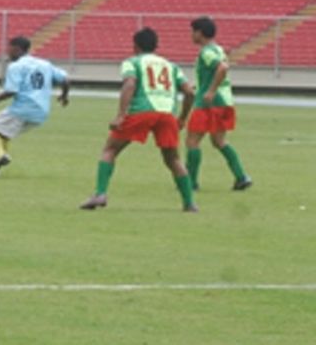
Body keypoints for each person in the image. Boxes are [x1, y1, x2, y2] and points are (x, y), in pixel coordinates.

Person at [80, 27, 198, 212]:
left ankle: (100, 193)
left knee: (110, 149)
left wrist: (121, 115)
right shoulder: (171, 66)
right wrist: (182, 118)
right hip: (167, 114)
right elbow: (190, 93)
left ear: (135, 46)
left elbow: (130, 84)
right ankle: (189, 203)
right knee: (173, 159)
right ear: (156, 46)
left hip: (141, 111)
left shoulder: (132, 62)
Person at [0, 36, 70, 177]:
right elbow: (65, 79)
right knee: (3, 135)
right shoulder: (44, 64)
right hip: (41, 113)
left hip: (23, 108)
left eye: (9, 48)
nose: (7, 52)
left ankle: (1, 156)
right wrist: (64, 96)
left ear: (17, 49)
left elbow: (11, 91)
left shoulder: (16, 66)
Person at [186, 17, 252, 191]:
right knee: (219, 141)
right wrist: (199, 85)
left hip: (210, 103)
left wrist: (210, 91)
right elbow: (216, 71)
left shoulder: (206, 52)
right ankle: (241, 176)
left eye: (193, 31)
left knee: (192, 142)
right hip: (225, 101)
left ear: (200, 33)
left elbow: (222, 68)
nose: (191, 35)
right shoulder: (218, 49)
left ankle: (191, 183)